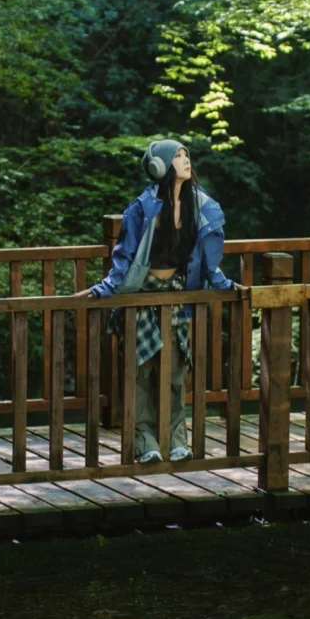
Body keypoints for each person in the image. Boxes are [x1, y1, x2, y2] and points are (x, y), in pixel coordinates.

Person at [87, 140, 237, 462]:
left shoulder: (200, 205)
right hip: (143, 295)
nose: (185, 160)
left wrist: (223, 283)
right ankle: (146, 443)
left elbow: (208, 260)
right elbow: (124, 257)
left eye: (186, 155)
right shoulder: (142, 208)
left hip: (177, 294)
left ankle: (176, 441)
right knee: (142, 372)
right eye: (177, 156)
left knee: (174, 371)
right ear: (160, 167)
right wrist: (104, 288)